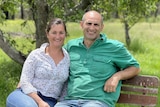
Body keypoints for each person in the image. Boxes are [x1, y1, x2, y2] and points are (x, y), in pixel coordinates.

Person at [54, 10, 140, 107]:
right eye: (89, 23)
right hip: (70, 101)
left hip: (97, 102)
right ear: (81, 24)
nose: (92, 28)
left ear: (102, 27)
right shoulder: (71, 46)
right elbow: (55, 62)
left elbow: (135, 67)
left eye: (96, 25)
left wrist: (116, 76)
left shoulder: (114, 47)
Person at [6, 18, 70, 107]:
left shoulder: (67, 59)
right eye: (54, 32)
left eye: (61, 33)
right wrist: (40, 102)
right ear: (47, 34)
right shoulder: (36, 55)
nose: (58, 36)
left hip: (50, 101)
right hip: (25, 95)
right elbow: (24, 81)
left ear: (65, 34)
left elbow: (65, 88)